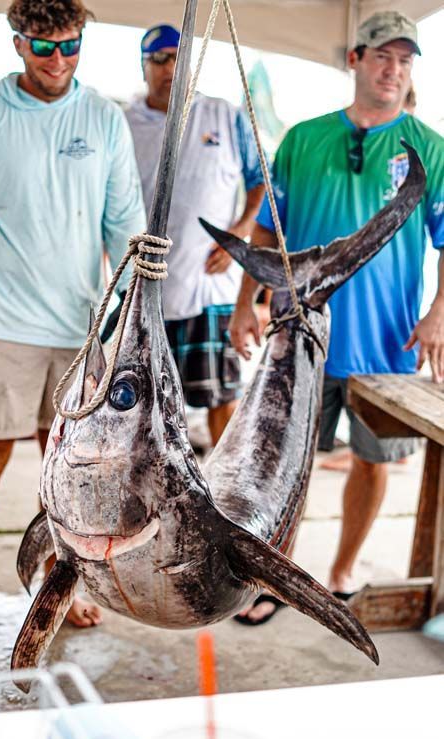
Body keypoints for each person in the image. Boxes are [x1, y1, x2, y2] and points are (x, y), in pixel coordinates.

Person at [0, 0, 145, 645]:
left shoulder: (102, 117)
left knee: (65, 468)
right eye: (45, 48)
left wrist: (131, 313)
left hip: (79, 327)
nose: (60, 60)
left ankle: (58, 586)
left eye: (72, 47)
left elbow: (124, 220)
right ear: (18, 45)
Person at [230, 11, 444, 624]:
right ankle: (278, 571)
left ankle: (343, 570)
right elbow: (269, 229)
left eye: (405, 61)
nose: (393, 70)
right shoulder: (303, 137)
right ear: (355, 59)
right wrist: (245, 302)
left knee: (374, 462)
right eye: (382, 57)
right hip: (300, 336)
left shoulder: (431, 147)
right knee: (282, 464)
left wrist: (437, 314)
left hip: (386, 338)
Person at [125, 24, 265, 445]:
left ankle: (225, 496)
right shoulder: (123, 123)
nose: (170, 69)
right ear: (144, 66)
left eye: (178, 59)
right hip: (144, 287)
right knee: (143, 406)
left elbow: (261, 179)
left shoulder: (225, 114)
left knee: (221, 398)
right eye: (160, 59)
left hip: (210, 284)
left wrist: (239, 231)